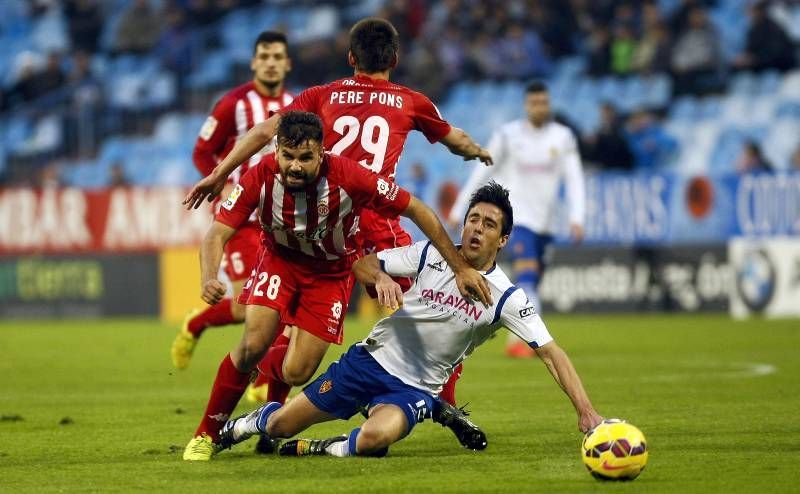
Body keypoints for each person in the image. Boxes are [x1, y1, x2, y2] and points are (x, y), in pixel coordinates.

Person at [184, 18, 493, 448]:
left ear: (351, 58)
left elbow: (260, 132)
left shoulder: (322, 95)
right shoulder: (410, 101)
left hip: (325, 213)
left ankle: (275, 387)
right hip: (371, 214)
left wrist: (220, 172)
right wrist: (475, 150)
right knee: (435, 303)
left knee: (296, 352)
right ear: (396, 60)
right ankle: (444, 404)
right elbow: (453, 138)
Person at [217, 182, 603, 458]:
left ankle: (322, 448)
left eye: (489, 225)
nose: (476, 229)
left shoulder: (507, 297)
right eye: (473, 219)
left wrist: (586, 411)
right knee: (281, 426)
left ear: (503, 240)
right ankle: (246, 424)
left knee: (375, 437)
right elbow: (362, 264)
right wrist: (382, 277)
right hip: (368, 362)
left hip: (413, 390)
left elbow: (552, 354)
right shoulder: (429, 254)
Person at [171, 31, 293, 387]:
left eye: (277, 56)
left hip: (282, 217)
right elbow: (201, 151)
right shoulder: (232, 104)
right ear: (254, 62)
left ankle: (262, 382)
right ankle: (196, 323)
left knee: (282, 297)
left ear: (287, 63)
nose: (271, 62)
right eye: (264, 56)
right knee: (244, 306)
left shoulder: (296, 104)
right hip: (242, 218)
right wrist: (220, 181)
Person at [448, 82, 585, 359]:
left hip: (547, 222)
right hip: (518, 220)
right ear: (526, 105)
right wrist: (459, 206)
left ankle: (514, 330)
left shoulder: (563, 137)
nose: (539, 108)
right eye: (534, 103)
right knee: (528, 276)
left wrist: (577, 216)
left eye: (544, 103)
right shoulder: (508, 135)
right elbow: (481, 172)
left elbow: (574, 177)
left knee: (534, 280)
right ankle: (523, 341)